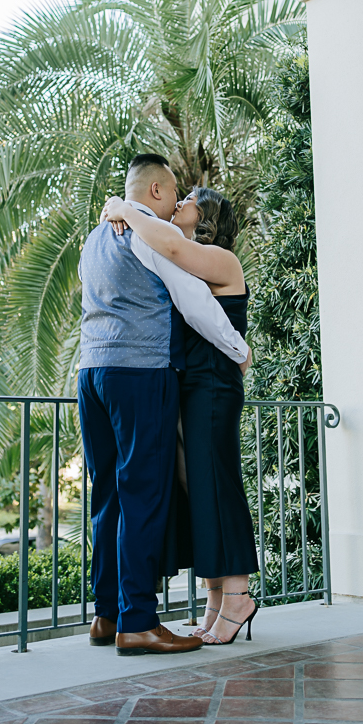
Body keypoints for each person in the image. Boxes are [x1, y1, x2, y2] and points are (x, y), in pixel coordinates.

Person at [78, 154, 252, 656]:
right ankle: (137, 620)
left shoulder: (96, 237)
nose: (179, 202)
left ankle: (105, 614)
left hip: (92, 370)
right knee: (142, 494)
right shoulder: (148, 232)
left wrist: (118, 206)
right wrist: (241, 351)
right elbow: (194, 303)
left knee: (107, 494)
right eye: (176, 192)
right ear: (156, 192)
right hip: (138, 372)